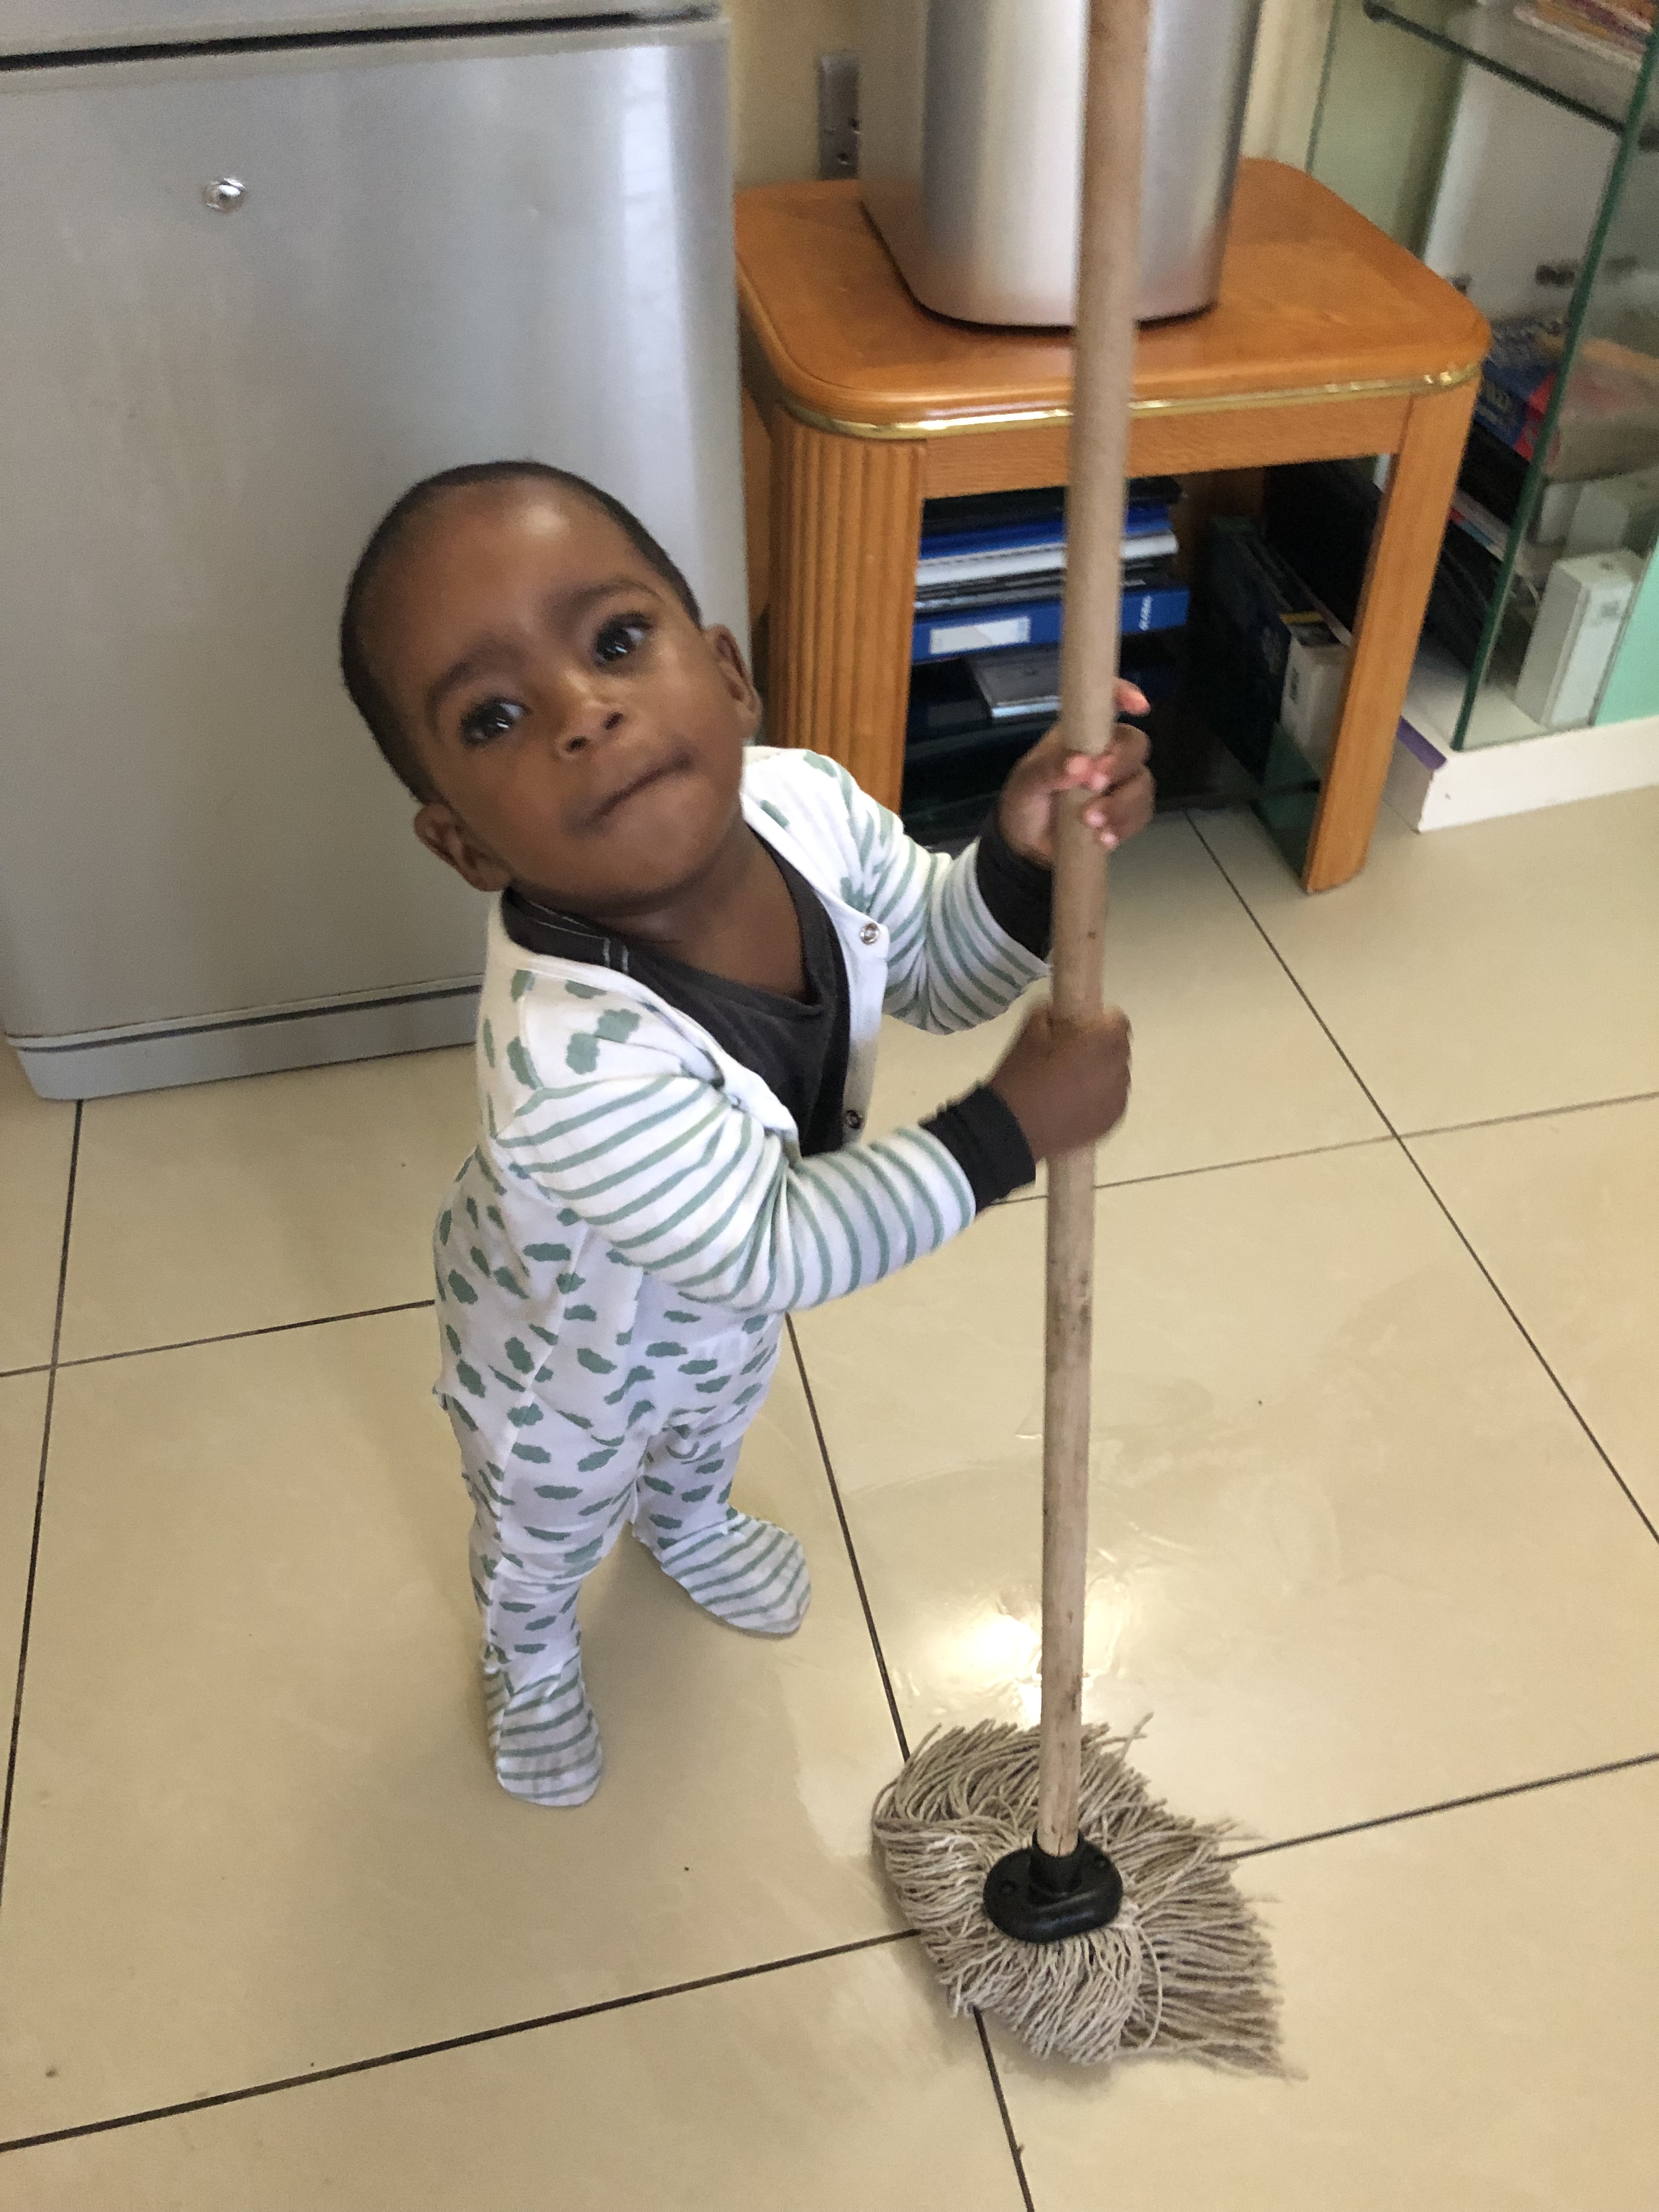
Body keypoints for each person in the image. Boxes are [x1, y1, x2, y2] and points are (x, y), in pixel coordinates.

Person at [339, 461, 1152, 1807]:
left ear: (727, 674)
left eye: (617, 640)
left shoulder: (805, 805)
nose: (583, 712)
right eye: (495, 717)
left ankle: (685, 1521)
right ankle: (528, 1654)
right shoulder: (562, 1061)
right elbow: (772, 1246)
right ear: (464, 844)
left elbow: (935, 963)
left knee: (714, 1419)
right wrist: (1007, 1131)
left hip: (713, 1320)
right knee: (548, 1525)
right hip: (560, 1361)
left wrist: (1020, 859)